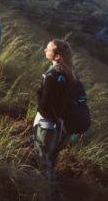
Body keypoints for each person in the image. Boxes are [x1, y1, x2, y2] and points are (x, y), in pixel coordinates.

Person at [34, 39, 75, 199]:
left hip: (47, 127)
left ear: (57, 56)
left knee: (44, 163)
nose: (45, 50)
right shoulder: (70, 73)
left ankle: (48, 194)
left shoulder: (51, 75)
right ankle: (51, 192)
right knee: (51, 160)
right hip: (62, 128)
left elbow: (44, 108)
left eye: (48, 49)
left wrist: (38, 94)